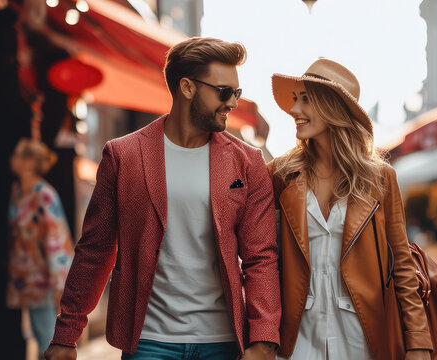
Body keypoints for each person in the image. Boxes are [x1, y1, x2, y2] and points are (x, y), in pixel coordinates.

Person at [45, 37, 281, 360]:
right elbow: (95, 250)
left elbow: (261, 257)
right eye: (224, 92)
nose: (233, 103)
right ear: (187, 87)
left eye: (236, 93)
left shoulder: (247, 163)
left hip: (223, 342)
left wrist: (264, 339)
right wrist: (66, 334)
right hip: (148, 341)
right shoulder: (123, 156)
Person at [269, 59, 432, 360]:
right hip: (297, 339)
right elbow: (262, 259)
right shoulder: (279, 174)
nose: (294, 110)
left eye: (305, 100)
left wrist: (418, 339)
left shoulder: (380, 178)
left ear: (331, 107)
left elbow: (402, 263)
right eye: (295, 99)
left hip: (363, 337)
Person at [7, 138, 74, 355]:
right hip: (24, 277)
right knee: (38, 334)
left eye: (17, 155)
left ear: (28, 162)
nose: (12, 159)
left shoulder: (44, 194)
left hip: (45, 277)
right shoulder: (17, 191)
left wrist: (60, 284)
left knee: (47, 337)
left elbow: (56, 239)